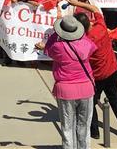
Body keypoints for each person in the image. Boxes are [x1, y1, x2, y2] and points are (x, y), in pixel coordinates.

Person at [70, 12, 117, 140]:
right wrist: (76, 2)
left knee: (91, 103)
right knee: (115, 98)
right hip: (112, 71)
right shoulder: (101, 27)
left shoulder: (83, 41)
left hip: (97, 77)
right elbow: (95, 9)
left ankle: (94, 132)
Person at [39, 16, 96, 149]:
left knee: (67, 127)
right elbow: (89, 42)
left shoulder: (57, 47)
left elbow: (48, 47)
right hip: (86, 89)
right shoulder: (87, 43)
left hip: (65, 90)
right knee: (84, 126)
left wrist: (56, 32)